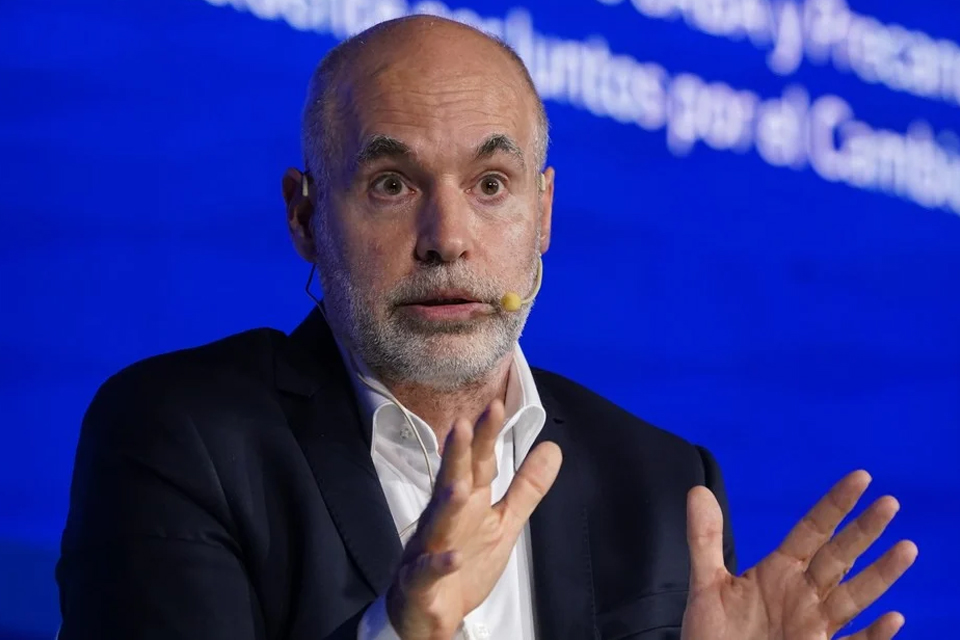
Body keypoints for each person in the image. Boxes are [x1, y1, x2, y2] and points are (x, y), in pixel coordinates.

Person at [56, 15, 917, 640]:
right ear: (306, 216)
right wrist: (402, 629)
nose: (448, 239)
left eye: (491, 185)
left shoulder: (663, 485)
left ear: (544, 213)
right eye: (392, 184)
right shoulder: (178, 434)